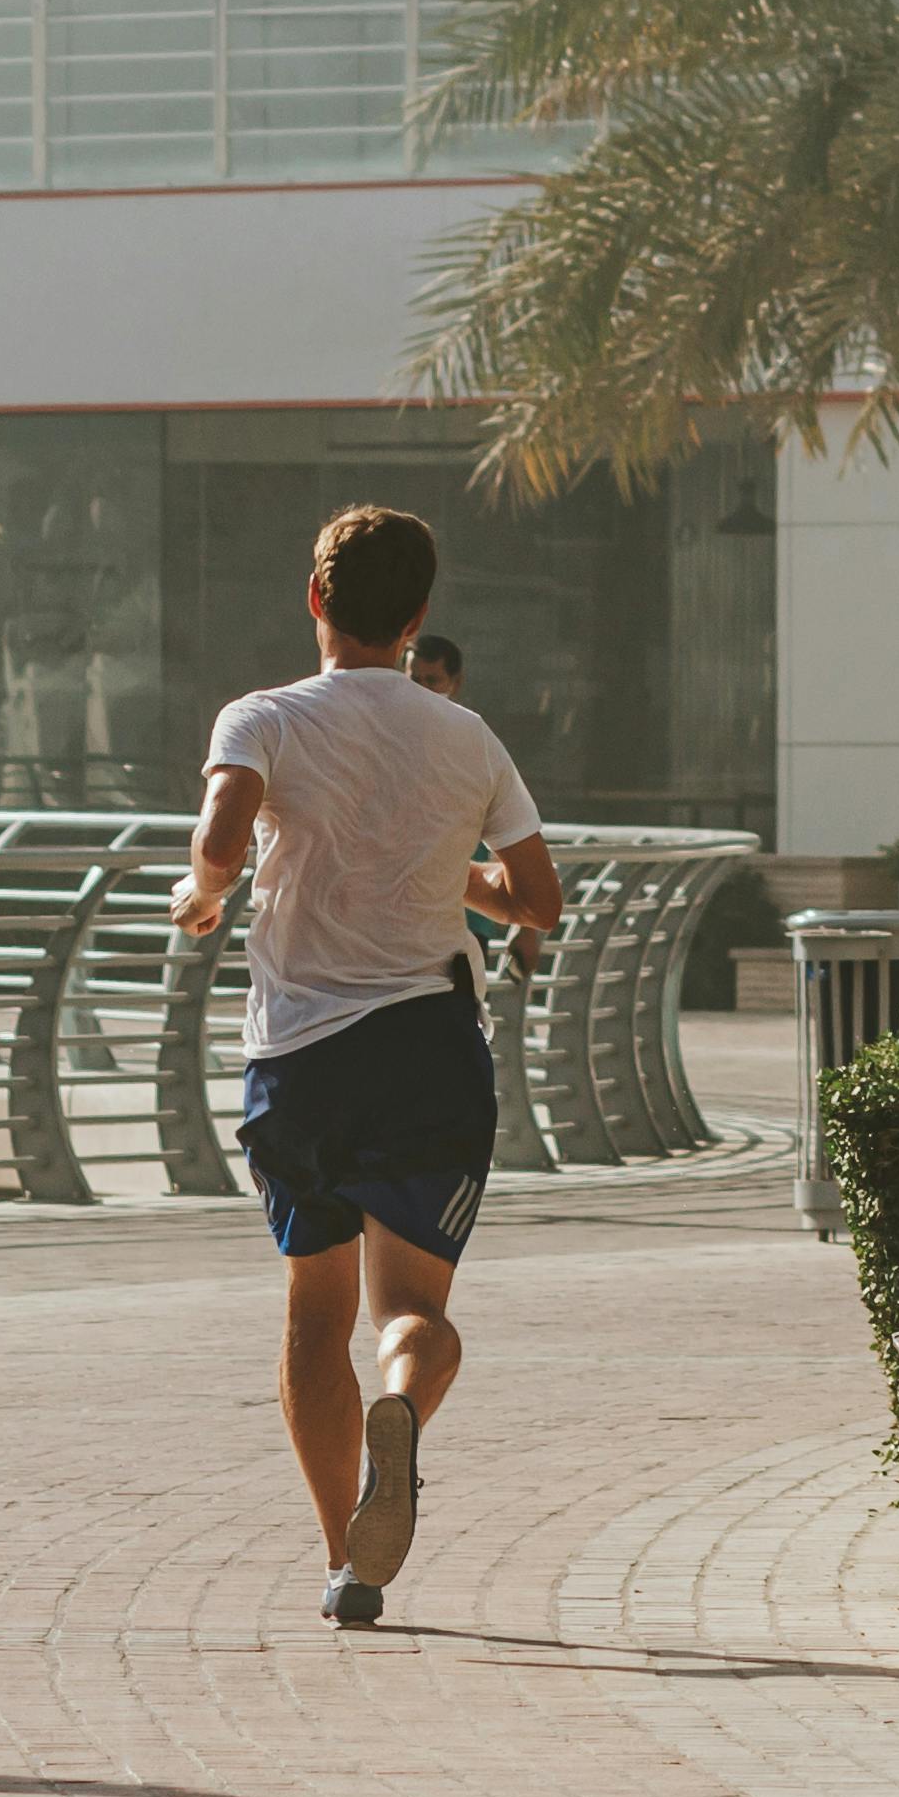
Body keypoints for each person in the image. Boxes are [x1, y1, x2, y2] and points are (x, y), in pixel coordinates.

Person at [174, 505, 560, 1630]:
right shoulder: (467, 736)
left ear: (314, 600)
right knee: (411, 1311)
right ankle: (404, 1394)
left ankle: (347, 1555)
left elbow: (220, 830)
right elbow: (538, 901)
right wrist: (463, 882)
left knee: (312, 1307)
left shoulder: (265, 717)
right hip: (430, 1050)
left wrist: (205, 890)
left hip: (298, 1056)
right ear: (418, 617)